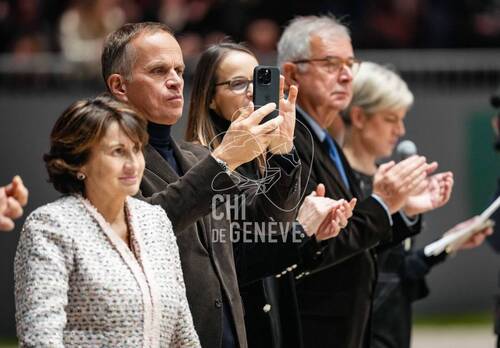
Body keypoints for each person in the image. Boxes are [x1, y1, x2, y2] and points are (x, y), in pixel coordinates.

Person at [102, 22, 301, 348]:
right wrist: (222, 160)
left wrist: (281, 153)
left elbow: (266, 226)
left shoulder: (197, 156)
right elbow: (140, 230)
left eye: (179, 70)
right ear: (119, 86)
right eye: (157, 71)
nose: (175, 81)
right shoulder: (104, 157)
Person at [278, 15, 438, 347]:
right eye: (331, 63)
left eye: (351, 63)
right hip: (312, 329)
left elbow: (356, 236)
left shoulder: (325, 140)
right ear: (292, 73)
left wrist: (400, 211)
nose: (347, 74)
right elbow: (316, 245)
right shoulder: (285, 142)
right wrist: (382, 203)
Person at [185, 42, 356, 348]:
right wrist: (300, 232)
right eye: (238, 83)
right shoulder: (200, 165)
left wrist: (313, 236)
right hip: (239, 329)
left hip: (278, 322)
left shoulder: (265, 160)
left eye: (260, 79)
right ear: (210, 99)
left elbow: (275, 247)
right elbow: (236, 262)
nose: (252, 91)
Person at [14, 96, 200, 347]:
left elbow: (182, 332)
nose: (133, 163)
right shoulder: (50, 226)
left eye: (136, 149)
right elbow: (40, 338)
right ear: (79, 161)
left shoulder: (155, 221)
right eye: (118, 152)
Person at [340, 61, 492, 348]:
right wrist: (401, 211)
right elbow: (351, 265)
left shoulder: (380, 179)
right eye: (390, 119)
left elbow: (395, 270)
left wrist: (448, 243)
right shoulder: (338, 179)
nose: (400, 129)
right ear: (358, 116)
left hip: (391, 330)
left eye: (401, 118)